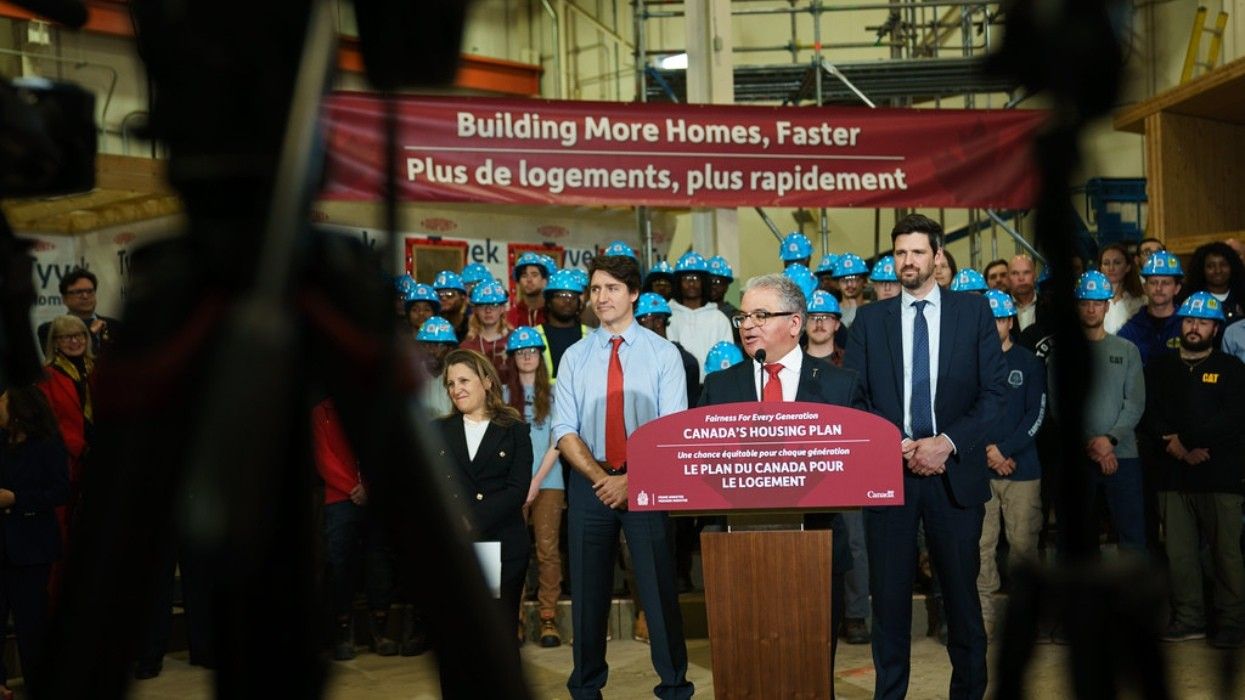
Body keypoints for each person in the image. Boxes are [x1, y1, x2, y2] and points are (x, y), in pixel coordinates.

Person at [845, 213, 1005, 700]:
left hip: (954, 476)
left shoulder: (972, 312)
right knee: (890, 605)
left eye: (917, 251)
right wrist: (898, 444)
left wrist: (946, 443)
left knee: (962, 603)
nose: (908, 261)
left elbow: (994, 395)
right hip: (890, 476)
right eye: (900, 253)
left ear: (937, 256)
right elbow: (856, 399)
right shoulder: (870, 321)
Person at [701, 273, 868, 692]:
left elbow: (856, 465)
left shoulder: (839, 385)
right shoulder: (720, 387)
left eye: (761, 315)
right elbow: (702, 466)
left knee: (811, 675)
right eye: (743, 316)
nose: (748, 325)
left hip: (817, 549)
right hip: (738, 553)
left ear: (795, 323)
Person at [551, 253, 693, 700]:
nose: (601, 297)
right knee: (587, 597)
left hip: (647, 482)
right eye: (595, 289)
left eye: (612, 288)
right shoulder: (574, 356)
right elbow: (564, 430)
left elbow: (673, 430)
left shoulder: (663, 354)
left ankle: (674, 687)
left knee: (658, 591)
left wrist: (633, 479)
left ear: (633, 293)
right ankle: (586, 689)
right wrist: (602, 479)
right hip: (590, 482)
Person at [1143, 292, 1245, 648]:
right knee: (1180, 555)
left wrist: (1187, 441)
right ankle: (1189, 619)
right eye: (1189, 320)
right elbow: (1148, 412)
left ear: (1215, 329)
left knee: (1226, 554)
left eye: (1202, 322)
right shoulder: (1160, 367)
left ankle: (1232, 622)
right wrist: (1174, 445)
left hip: (1220, 475)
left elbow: (1234, 419)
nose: (1194, 327)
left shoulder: (1232, 369)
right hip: (1173, 475)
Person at [435, 349, 532, 651]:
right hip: (455, 547)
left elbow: (517, 491)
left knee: (499, 638)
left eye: (464, 380)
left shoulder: (515, 431)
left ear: (487, 381)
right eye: (451, 384)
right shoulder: (438, 431)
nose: (456, 389)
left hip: (502, 545)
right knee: (456, 639)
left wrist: (470, 520)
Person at [975, 290, 1046, 640]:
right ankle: (983, 620)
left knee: (1023, 548)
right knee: (981, 547)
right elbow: (964, 413)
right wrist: (987, 452)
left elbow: (1037, 414)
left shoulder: (1029, 362)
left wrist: (1004, 450)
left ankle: (1025, 621)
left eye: (1000, 319)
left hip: (1023, 468)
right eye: (988, 320)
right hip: (980, 470)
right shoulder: (970, 362)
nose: (994, 326)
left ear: (1011, 322)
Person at [314, 398, 397, 661]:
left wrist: (369, 488)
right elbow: (323, 458)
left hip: (374, 497)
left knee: (378, 561)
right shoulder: (320, 413)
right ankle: (342, 632)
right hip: (339, 497)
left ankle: (379, 630)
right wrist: (352, 488)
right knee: (340, 562)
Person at [0, 386, 69, 698]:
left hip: (31, 547)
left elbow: (59, 491)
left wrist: (17, 498)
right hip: (2, 544)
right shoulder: (2, 441)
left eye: (3, 399)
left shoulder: (47, 443)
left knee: (32, 625)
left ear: (20, 409)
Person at [1071, 271, 1147, 552]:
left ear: (1106, 306)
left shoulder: (1127, 350)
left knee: (1132, 537)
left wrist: (1109, 440)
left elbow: (1135, 402)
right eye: (1085, 303)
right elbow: (1060, 406)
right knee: (1081, 540)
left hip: (1123, 455)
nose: (1091, 309)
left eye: (1097, 303)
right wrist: (1093, 445)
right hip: (1080, 458)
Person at [503, 327, 565, 648]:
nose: (527, 357)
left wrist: (536, 480)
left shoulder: (555, 392)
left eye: (532, 351)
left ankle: (548, 617)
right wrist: (520, 483)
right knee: (512, 552)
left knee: (547, 550)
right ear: (512, 358)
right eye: (520, 352)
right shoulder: (500, 394)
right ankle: (511, 617)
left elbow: (559, 441)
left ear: (541, 356)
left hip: (549, 480)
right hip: (510, 486)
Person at [38, 316, 94, 541]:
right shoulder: (47, 376)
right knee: (64, 525)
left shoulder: (96, 369)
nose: (75, 341)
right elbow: (49, 422)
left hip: (102, 456)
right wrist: (80, 448)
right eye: (67, 337)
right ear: (55, 342)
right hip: (67, 459)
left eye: (79, 335)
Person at [667, 251, 733, 373]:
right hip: (677, 381)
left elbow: (727, 357)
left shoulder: (719, 318)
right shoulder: (668, 316)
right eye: (686, 279)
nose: (691, 283)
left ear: (704, 282)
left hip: (712, 381)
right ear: (678, 283)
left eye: (696, 279)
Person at [36, 269, 123, 356]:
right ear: (64, 299)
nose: (85, 296)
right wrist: (91, 333)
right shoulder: (50, 329)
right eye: (78, 292)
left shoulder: (115, 326)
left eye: (89, 291)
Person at [1119, 251, 1184, 366]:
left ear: (1177, 288)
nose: (1159, 288)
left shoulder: (1187, 325)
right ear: (1145, 288)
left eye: (1165, 283)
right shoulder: (1130, 330)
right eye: (1153, 283)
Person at [635, 293, 700, 408]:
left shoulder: (686, 361)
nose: (636, 326)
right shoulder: (634, 357)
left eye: (641, 320)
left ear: (659, 321)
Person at [537, 269, 591, 380]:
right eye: (561, 295)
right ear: (549, 302)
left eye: (572, 296)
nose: (567, 300)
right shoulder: (535, 336)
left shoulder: (592, 335)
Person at [460, 281, 513, 385]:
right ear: (475, 310)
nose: (488, 310)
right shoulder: (466, 347)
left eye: (494, 304)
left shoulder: (514, 340)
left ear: (502, 308)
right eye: (482, 305)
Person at [1182, 241, 1245, 328]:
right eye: (1210, 266)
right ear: (1201, 269)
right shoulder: (1192, 300)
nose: (1218, 271)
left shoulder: (1241, 297)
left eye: (1223, 265)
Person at [1096, 243, 1146, 334]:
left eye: (1117, 263)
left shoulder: (1142, 301)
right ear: (1100, 268)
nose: (1111, 268)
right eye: (1106, 263)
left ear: (1128, 267)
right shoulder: (1092, 301)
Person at [414, 317, 458, 417]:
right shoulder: (411, 376)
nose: (431, 351)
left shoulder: (459, 377)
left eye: (439, 345)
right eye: (426, 345)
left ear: (450, 349)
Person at [508, 252, 553, 328]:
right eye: (524, 276)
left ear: (544, 281)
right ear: (518, 283)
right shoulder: (510, 317)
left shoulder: (555, 314)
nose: (529, 280)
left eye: (534, 275)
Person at [805, 290, 845, 366]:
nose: (819, 324)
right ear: (803, 324)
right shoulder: (792, 362)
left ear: (837, 324)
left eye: (826, 317)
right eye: (813, 318)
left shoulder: (850, 361)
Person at [832, 253, 869, 327]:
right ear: (837, 284)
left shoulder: (874, 308)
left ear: (865, 281)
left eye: (854, 279)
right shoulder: (832, 311)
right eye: (844, 280)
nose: (849, 284)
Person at [432, 270, 470, 341]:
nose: (444, 298)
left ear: (463, 297)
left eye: (450, 294)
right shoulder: (429, 326)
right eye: (439, 295)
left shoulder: (472, 328)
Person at [1008, 255, 1040, 331]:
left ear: (1035, 275)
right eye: (1015, 273)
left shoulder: (1050, 305)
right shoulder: (1000, 306)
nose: (1021, 278)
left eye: (1026, 272)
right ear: (1008, 277)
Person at [706, 255, 738, 324]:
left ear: (726, 286)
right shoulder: (696, 313)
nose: (713, 286)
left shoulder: (734, 316)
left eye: (718, 281)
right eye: (709, 281)